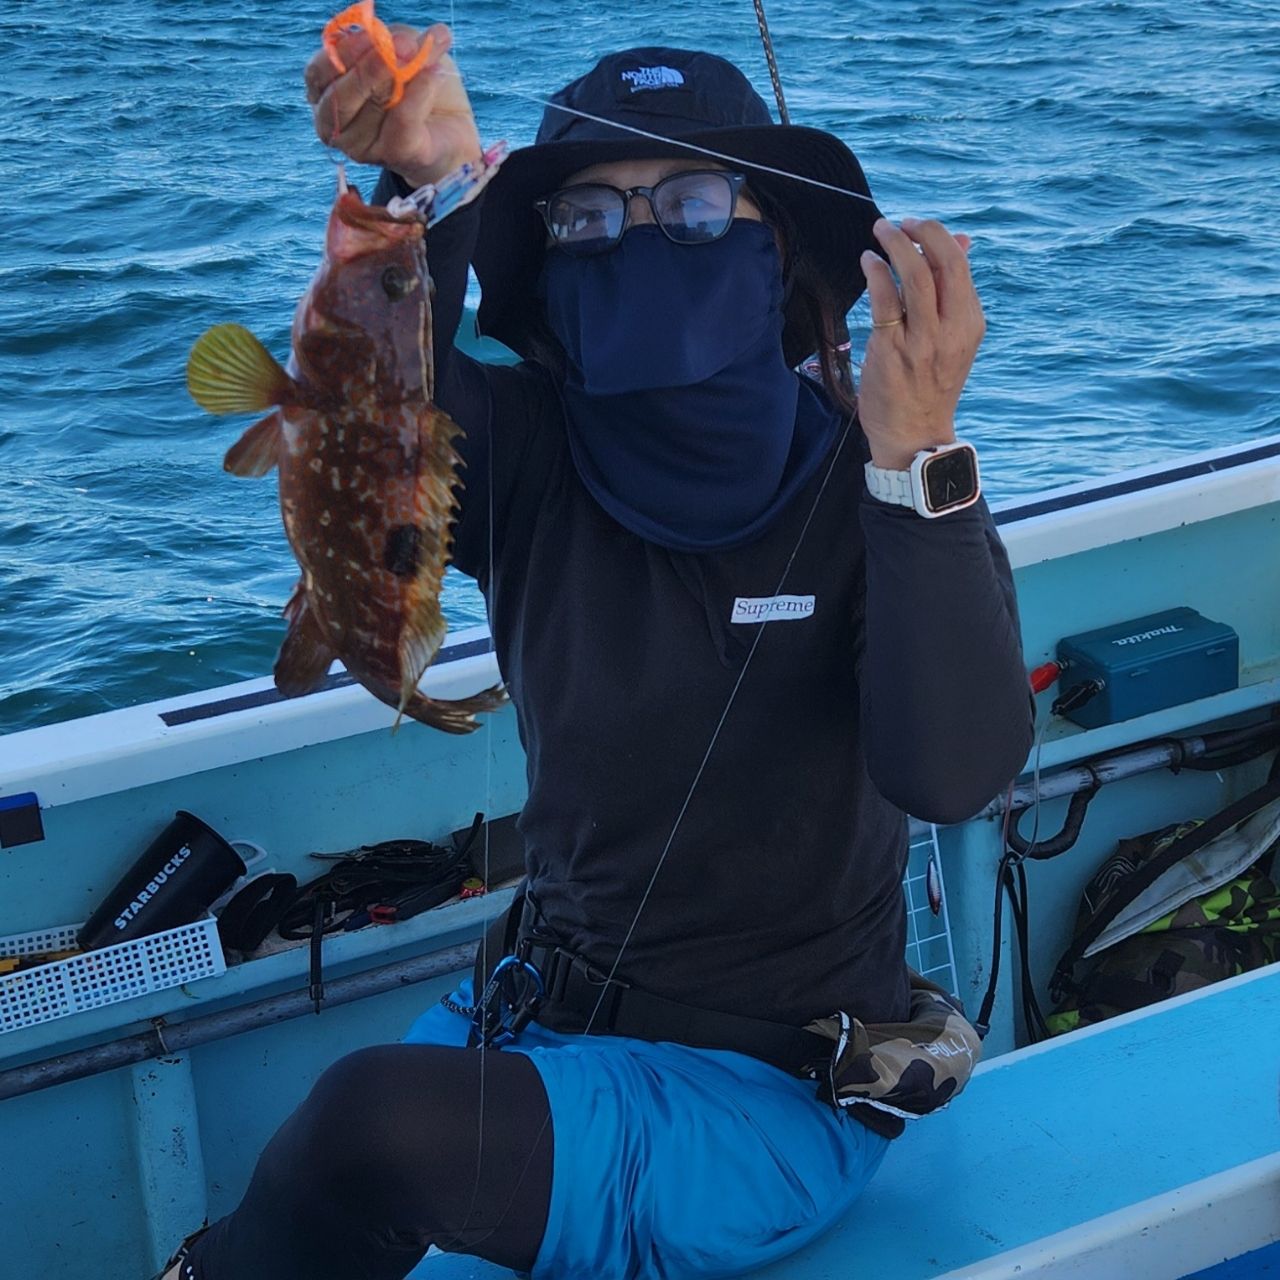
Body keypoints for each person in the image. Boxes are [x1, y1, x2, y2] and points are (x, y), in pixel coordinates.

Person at [160, 23, 1033, 1280]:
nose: (636, 238)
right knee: (328, 1159)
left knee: (361, 1125)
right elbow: (377, 400)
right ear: (550, 269)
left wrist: (915, 453)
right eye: (585, 218)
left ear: (775, 249)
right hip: (524, 1017)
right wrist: (424, 182)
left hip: (765, 1094)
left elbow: (949, 771)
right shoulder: (524, 450)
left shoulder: (882, 482)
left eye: (690, 204)